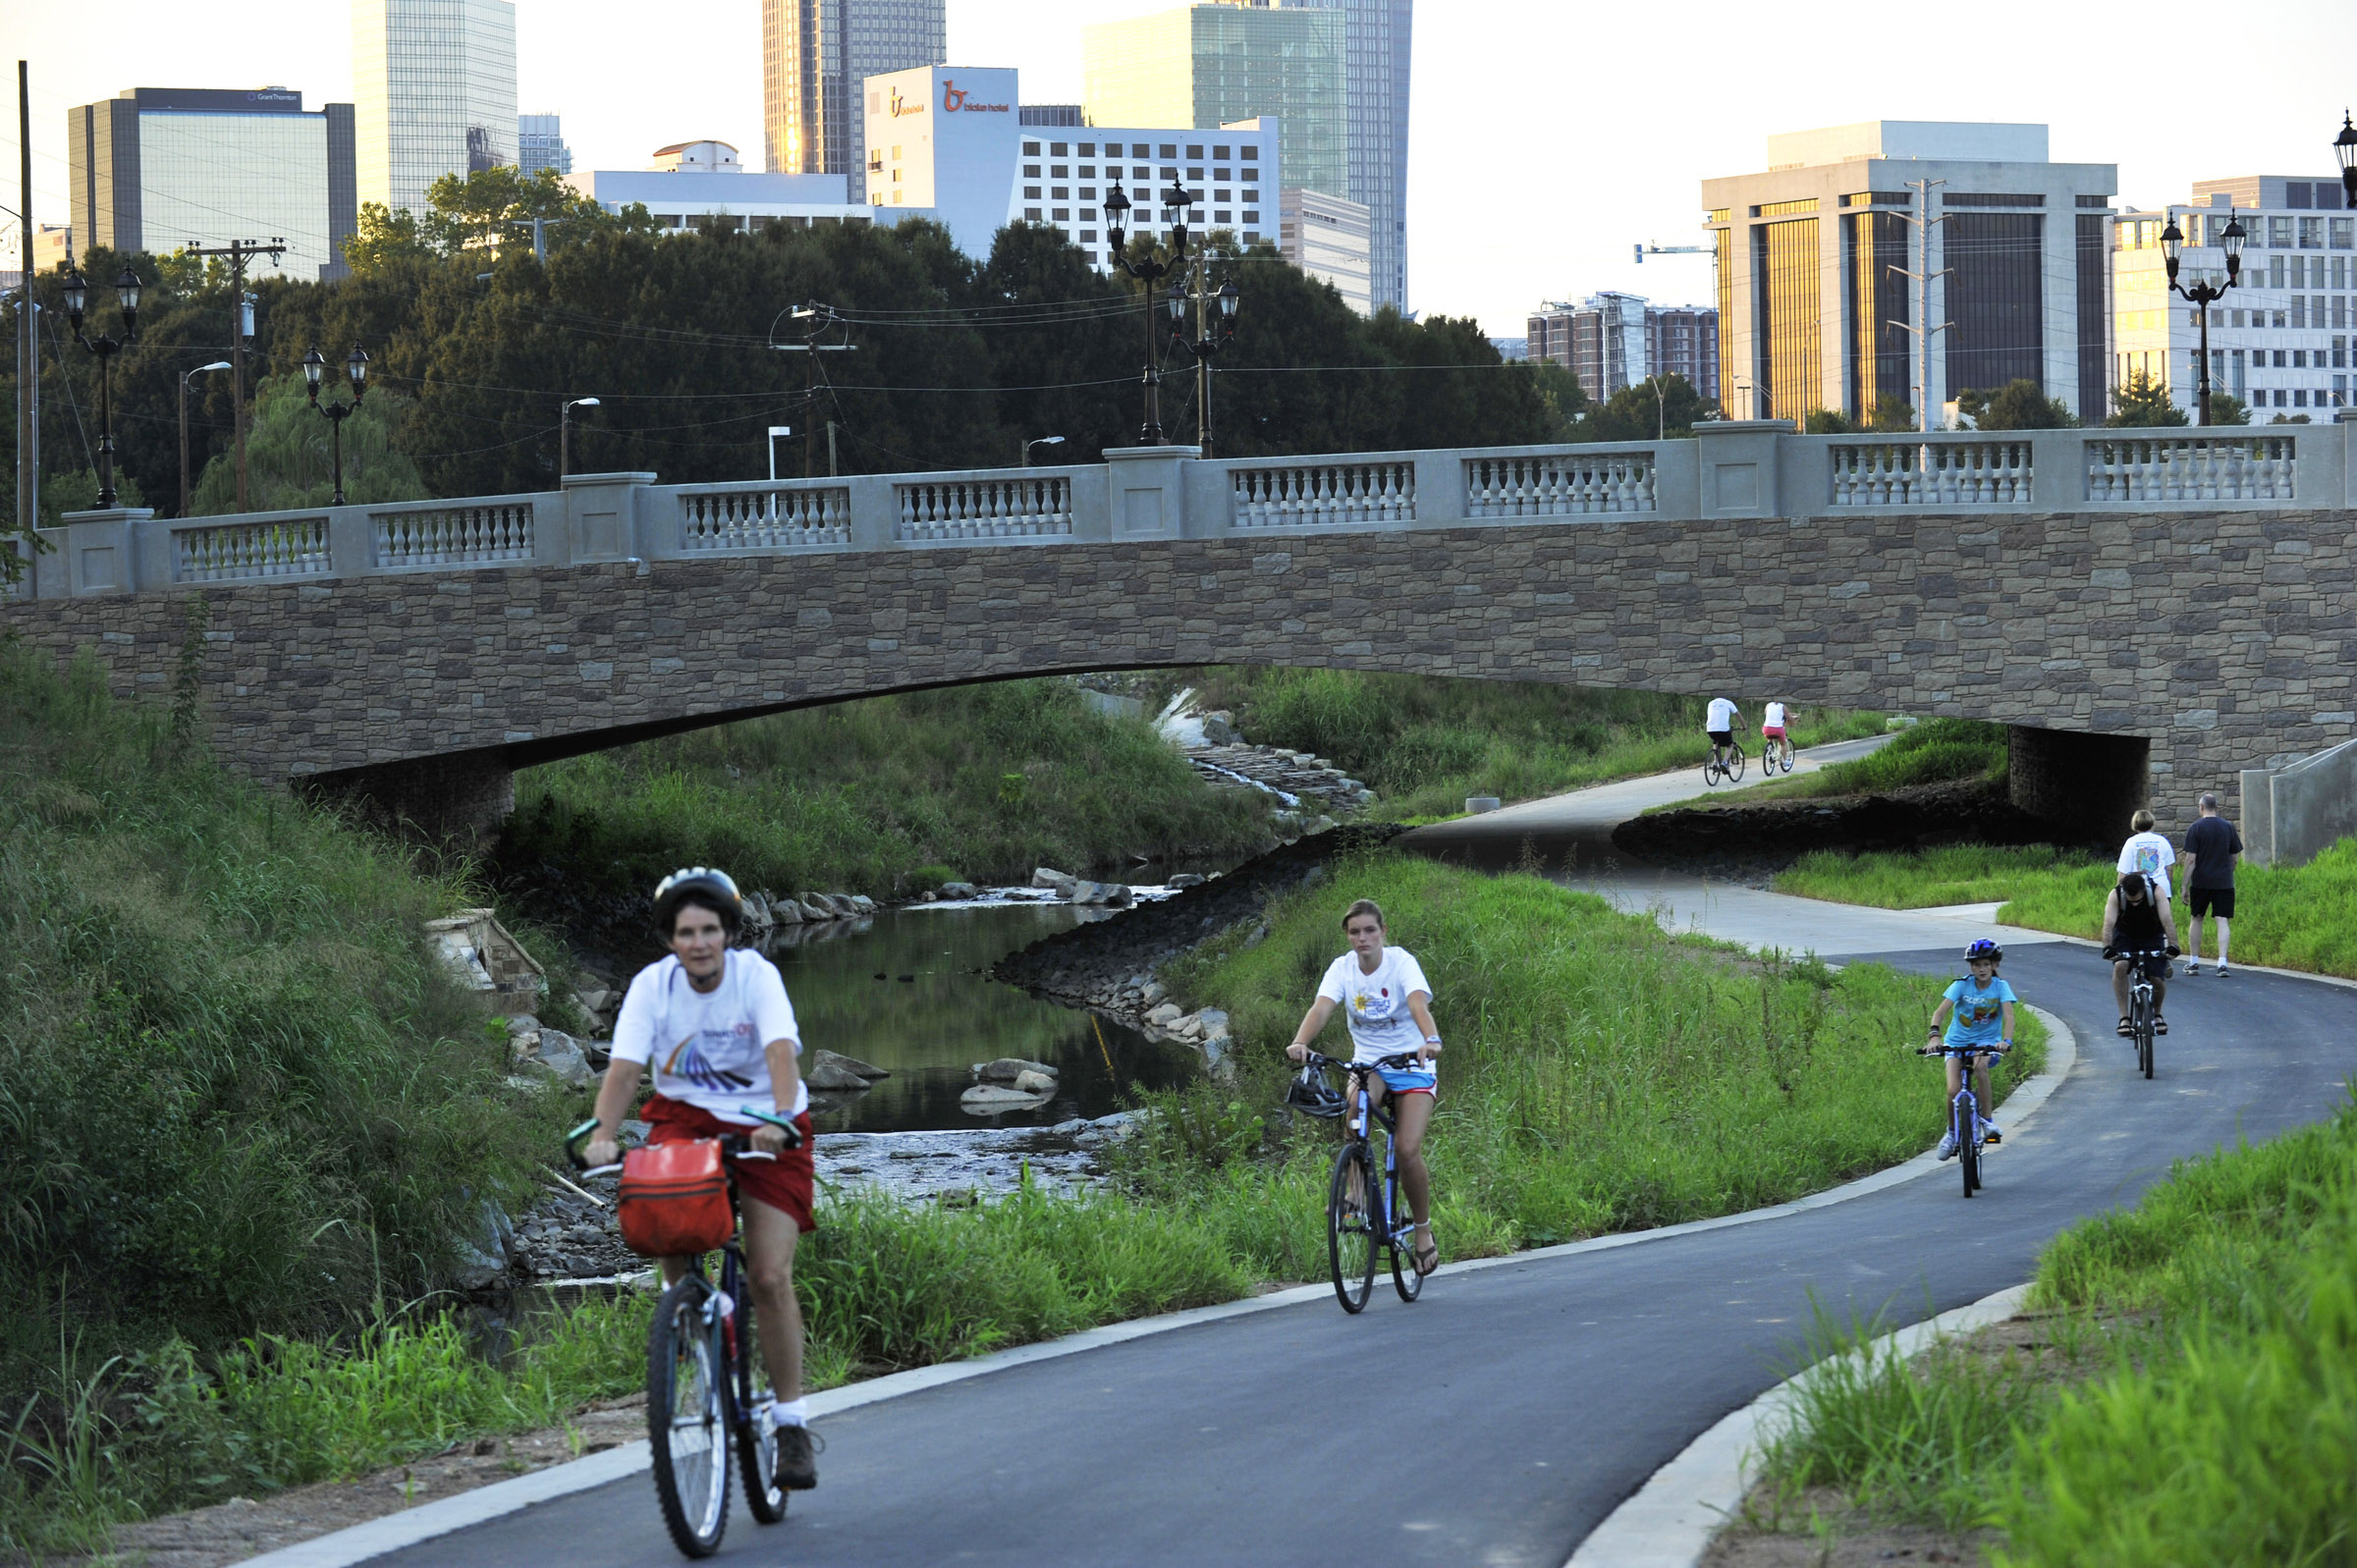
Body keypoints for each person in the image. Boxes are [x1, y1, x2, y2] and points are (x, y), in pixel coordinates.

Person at [583, 867, 820, 1490]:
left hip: (771, 1125)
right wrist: (603, 1133)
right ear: (670, 940)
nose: (699, 942)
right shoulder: (651, 987)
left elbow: (780, 1055)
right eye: (686, 932)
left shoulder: (756, 978)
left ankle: (791, 1424)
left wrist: (775, 1119)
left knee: (769, 1277)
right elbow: (626, 1068)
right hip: (687, 1120)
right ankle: (695, 1308)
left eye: (710, 929)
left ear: (729, 933)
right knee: (667, 1214)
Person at [1286, 899, 1444, 1276]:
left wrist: (1431, 1039)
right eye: (1354, 932)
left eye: (1369, 930)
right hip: (1369, 1063)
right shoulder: (1342, 968)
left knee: (1407, 1149)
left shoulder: (1401, 963)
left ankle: (1423, 1232)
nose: (1362, 938)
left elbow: (1418, 1004)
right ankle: (1355, 1195)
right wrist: (1300, 1042)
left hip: (1411, 1063)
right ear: (1347, 936)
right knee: (1354, 1114)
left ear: (1383, 932)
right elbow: (1321, 1007)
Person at [1925, 938, 2015, 1160]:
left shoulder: (2000, 987)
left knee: (1980, 1067)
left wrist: (2006, 1041)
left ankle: (1988, 1122)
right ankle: (1951, 1132)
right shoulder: (1961, 985)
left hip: (1987, 1042)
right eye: (1976, 965)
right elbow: (1940, 1012)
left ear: (1995, 965)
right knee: (1953, 1090)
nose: (1981, 969)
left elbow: (2009, 1018)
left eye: (1986, 964)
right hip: (1956, 1042)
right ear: (1970, 967)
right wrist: (1935, 1037)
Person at [2101, 871, 2179, 1039]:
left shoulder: (2157, 892)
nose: (2135, 904)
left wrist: (2173, 945)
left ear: (2144, 891)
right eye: (2131, 901)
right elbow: (2108, 923)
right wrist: (2107, 947)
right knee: (2120, 967)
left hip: (2152, 935)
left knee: (2156, 977)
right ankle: (2124, 1018)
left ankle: (2157, 1014)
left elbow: (2167, 920)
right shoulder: (2116, 895)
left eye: (2138, 900)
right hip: (2125, 935)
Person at [2180, 792, 2243, 977]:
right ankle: (2222, 963)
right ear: (2216, 807)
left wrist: (2185, 884)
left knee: (2197, 918)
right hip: (2224, 882)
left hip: (2201, 882)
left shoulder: (2195, 828)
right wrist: (2226, 873)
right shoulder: (2228, 827)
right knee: (2222, 920)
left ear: (2201, 807)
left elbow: (2191, 860)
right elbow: (2234, 858)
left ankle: (2193, 962)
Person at [2117, 808, 2178, 904]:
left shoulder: (2131, 842)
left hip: (2138, 891)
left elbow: (2123, 871)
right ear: (2152, 823)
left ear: (2135, 824)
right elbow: (2169, 869)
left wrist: (2119, 894)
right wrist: (2168, 888)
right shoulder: (2163, 841)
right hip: (2162, 889)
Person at [1705, 695, 1743, 771]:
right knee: (1730, 745)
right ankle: (1724, 762)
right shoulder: (1728, 703)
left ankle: (1715, 762)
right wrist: (1744, 726)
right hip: (1723, 729)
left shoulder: (1711, 703)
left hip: (1710, 729)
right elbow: (1738, 715)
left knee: (1716, 742)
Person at [1760, 700, 1793, 769]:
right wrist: (1793, 721)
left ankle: (1769, 750)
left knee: (1770, 737)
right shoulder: (1783, 706)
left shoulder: (1768, 705)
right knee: (1783, 743)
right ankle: (1785, 760)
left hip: (1766, 729)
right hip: (1778, 729)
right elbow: (1789, 717)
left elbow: (1766, 713)